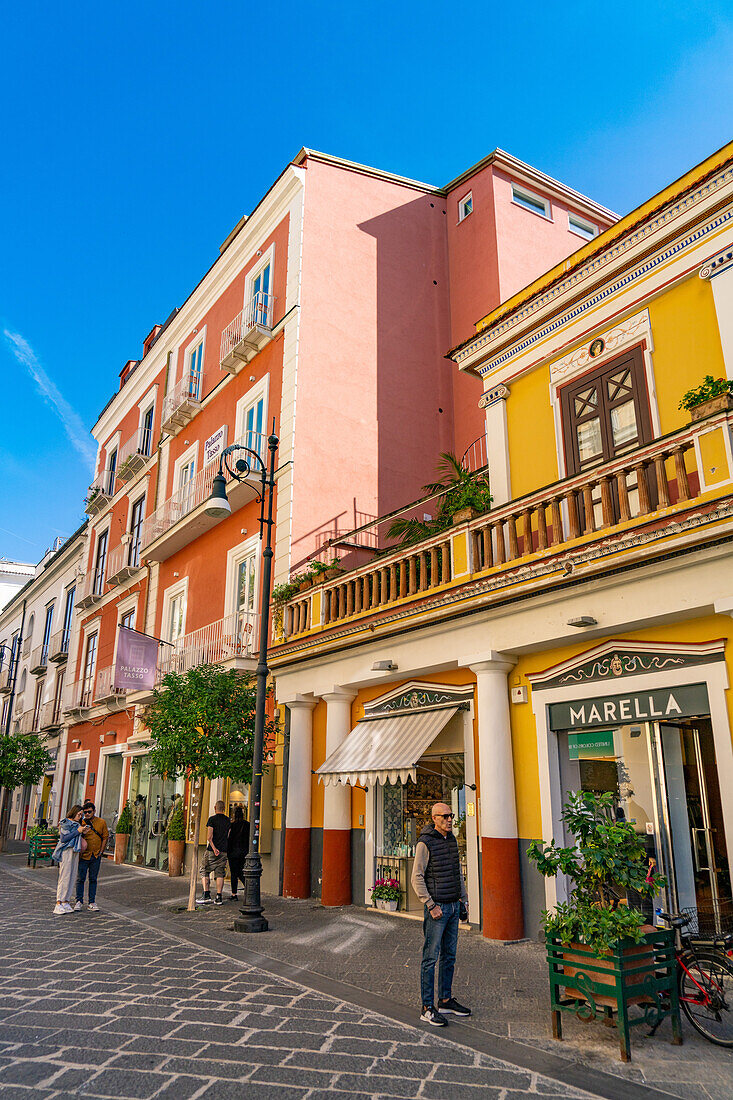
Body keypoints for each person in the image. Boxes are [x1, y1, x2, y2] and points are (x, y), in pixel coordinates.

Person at [410, 802, 471, 1026]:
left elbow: (457, 873)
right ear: (434, 818)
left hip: (453, 906)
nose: (449, 819)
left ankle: (445, 1000)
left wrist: (463, 900)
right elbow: (416, 877)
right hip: (437, 910)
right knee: (430, 958)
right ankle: (427, 1007)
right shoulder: (425, 843)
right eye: (444, 816)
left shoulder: (452, 840)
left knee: (449, 957)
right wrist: (430, 905)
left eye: (451, 815)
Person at [52, 805, 87, 915]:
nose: (80, 816)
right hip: (67, 850)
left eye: (82, 815)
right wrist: (78, 831)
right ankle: (58, 903)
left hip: (75, 851)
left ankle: (66, 901)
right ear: (74, 812)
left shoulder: (78, 824)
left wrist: (83, 831)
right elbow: (64, 838)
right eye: (79, 814)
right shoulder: (66, 823)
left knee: (72, 876)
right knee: (65, 876)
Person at [74, 800, 109, 912]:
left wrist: (101, 852)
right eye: (85, 812)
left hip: (95, 855)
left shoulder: (101, 822)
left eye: (89, 812)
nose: (87, 814)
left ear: (94, 811)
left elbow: (105, 837)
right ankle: (79, 901)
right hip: (84, 855)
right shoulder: (81, 823)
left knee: (93, 879)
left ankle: (92, 902)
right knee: (80, 879)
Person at [197, 799, 230, 906]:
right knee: (220, 873)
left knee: (204, 870)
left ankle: (206, 894)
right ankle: (219, 896)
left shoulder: (212, 820)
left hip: (212, 851)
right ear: (224, 809)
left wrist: (214, 848)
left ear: (215, 808)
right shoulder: (228, 821)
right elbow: (228, 836)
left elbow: (209, 837)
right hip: (224, 850)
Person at [227, 807, 250, 901]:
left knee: (234, 873)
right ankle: (248, 890)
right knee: (241, 872)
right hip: (244, 852)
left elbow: (229, 839)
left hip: (233, 852)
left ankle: (234, 894)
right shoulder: (247, 825)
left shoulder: (232, 825)